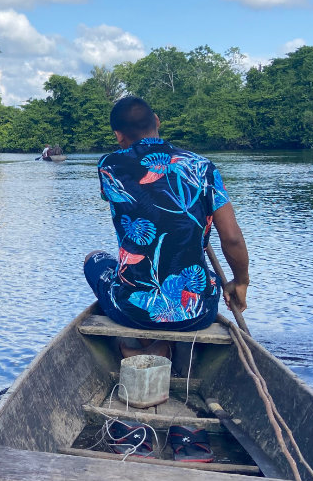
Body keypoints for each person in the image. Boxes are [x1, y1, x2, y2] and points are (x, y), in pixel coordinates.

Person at [84, 96, 249, 358]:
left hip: (132, 311)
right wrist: (240, 282)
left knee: (93, 259)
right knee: (207, 278)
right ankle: (162, 347)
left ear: (118, 136)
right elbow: (232, 238)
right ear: (157, 121)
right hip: (197, 314)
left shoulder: (109, 166)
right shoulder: (202, 167)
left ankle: (148, 345)